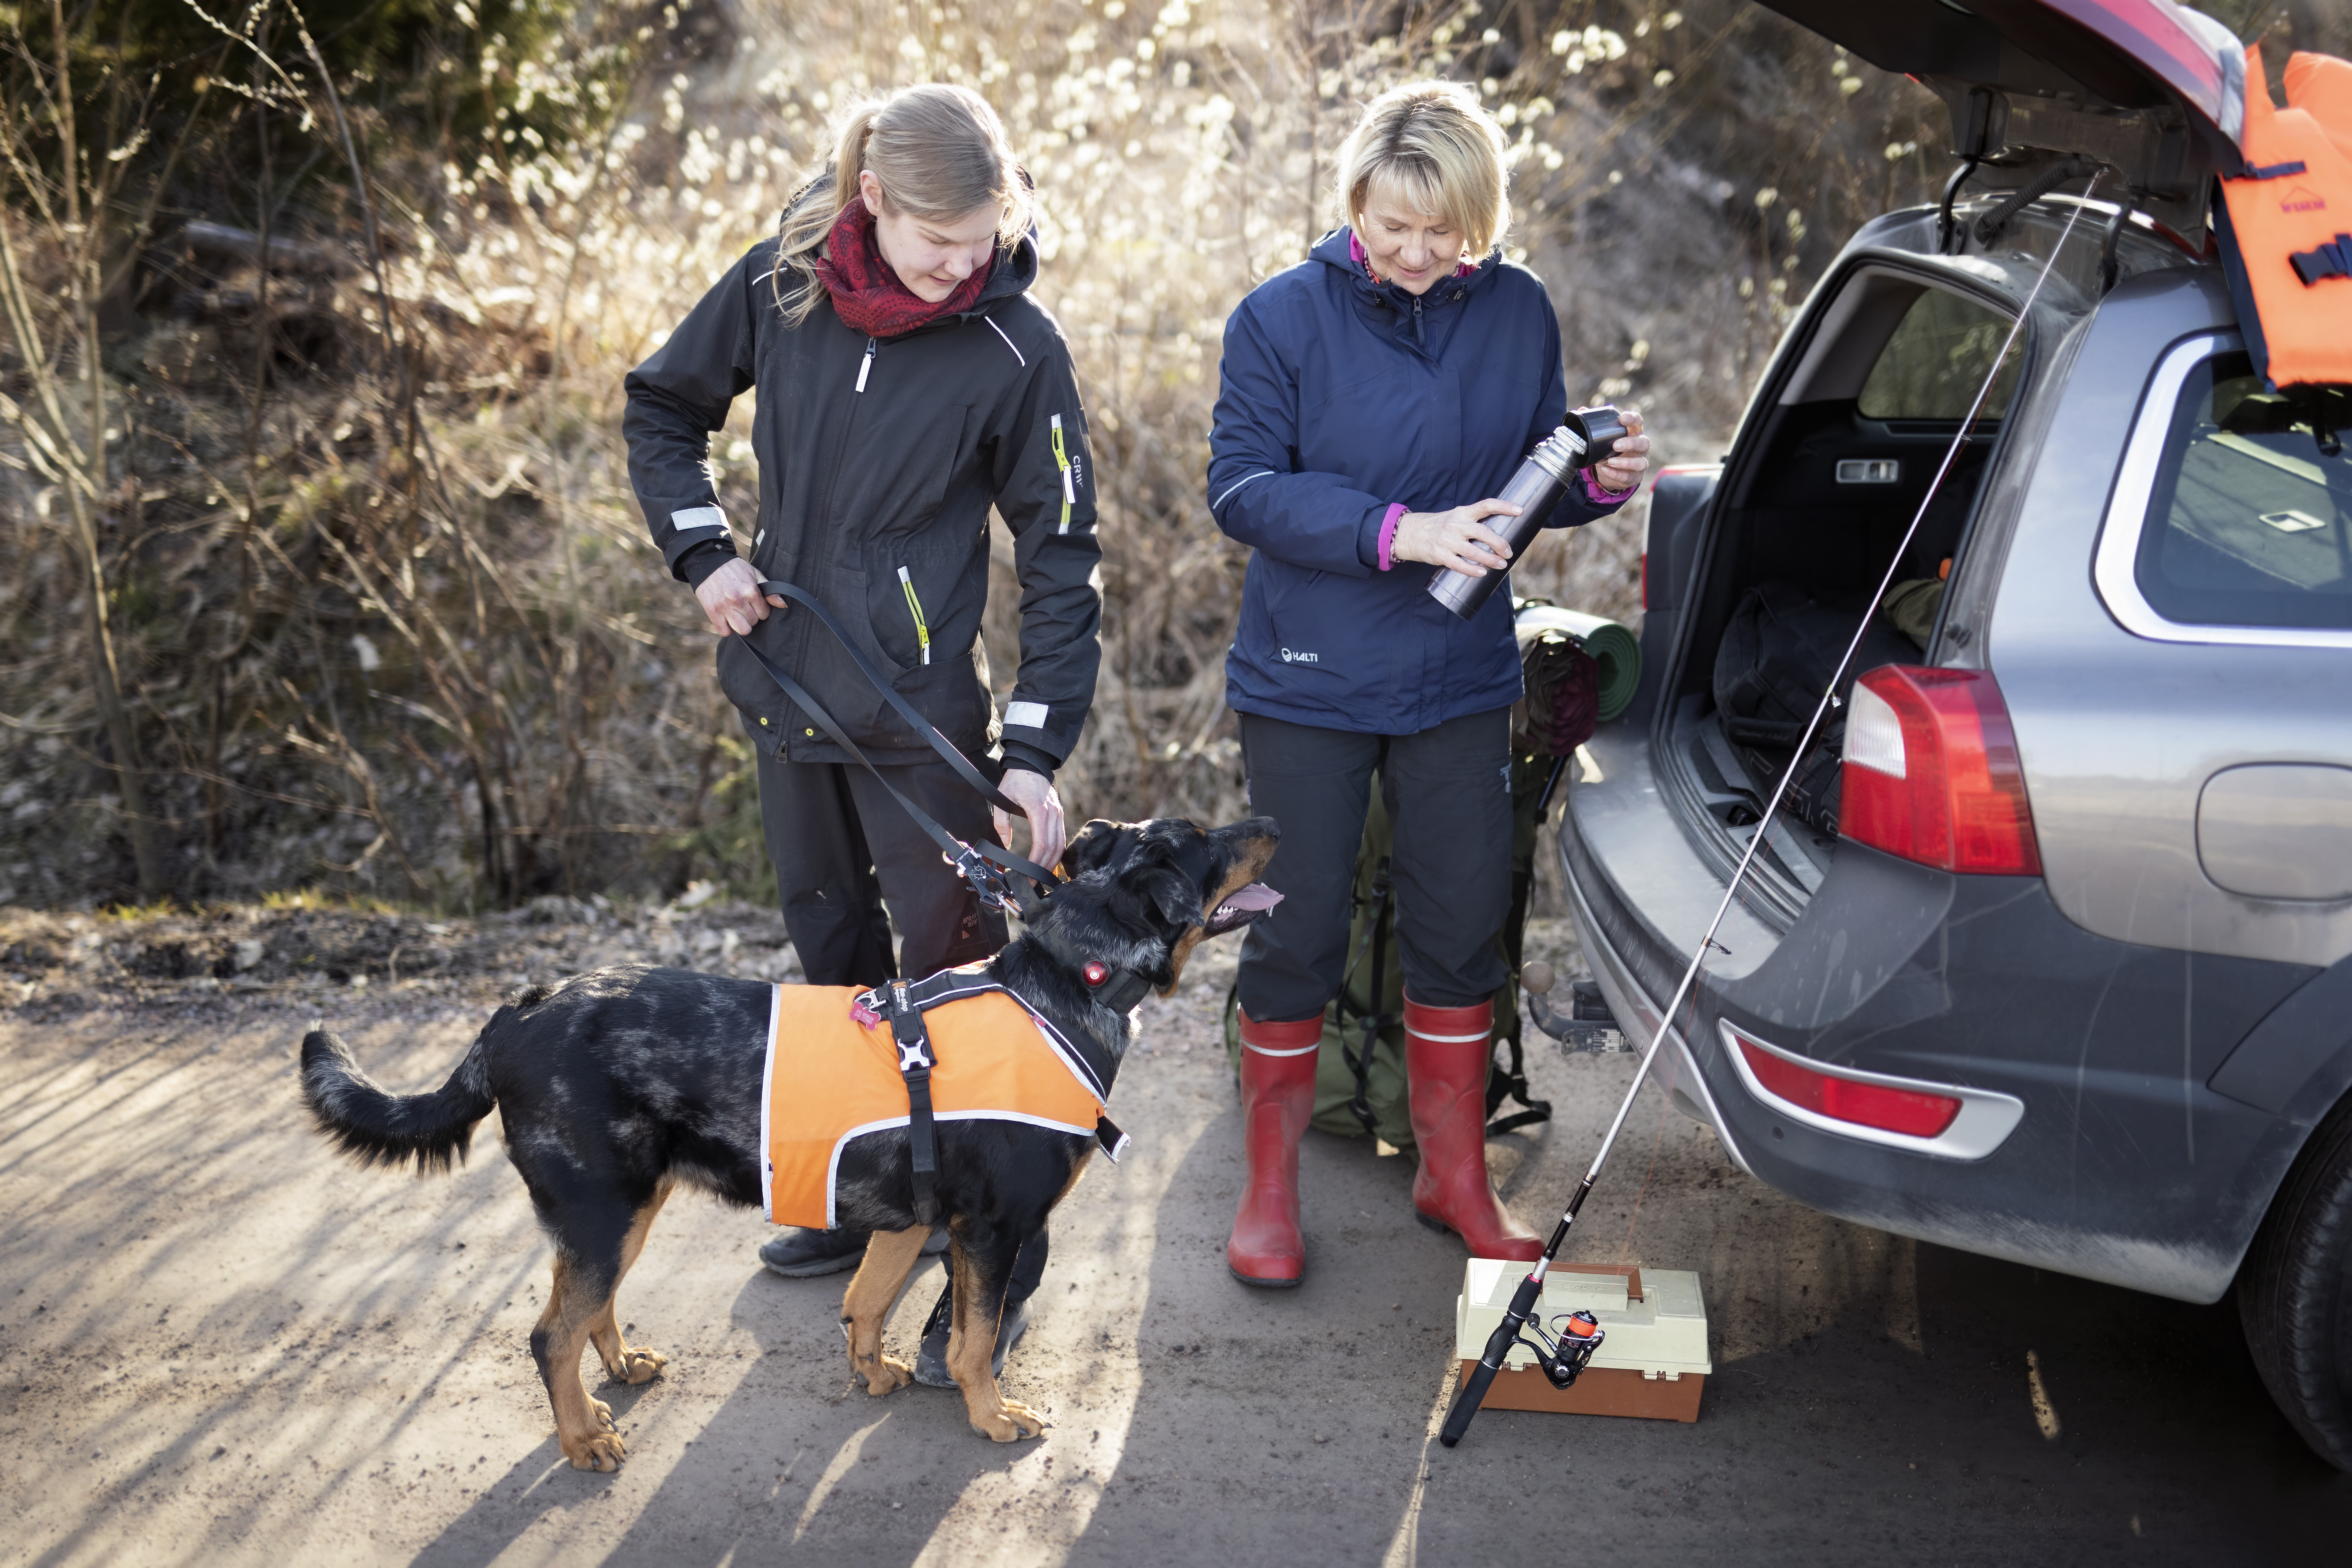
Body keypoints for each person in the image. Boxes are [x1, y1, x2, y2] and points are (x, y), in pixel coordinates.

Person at [623, 84, 1101, 1376]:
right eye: (941, 244)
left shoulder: (1018, 348)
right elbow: (662, 409)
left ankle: (976, 1233)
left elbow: (1064, 562)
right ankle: (859, 1186)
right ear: (872, 203)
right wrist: (702, 550)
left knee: (952, 968)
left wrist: (1035, 755)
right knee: (830, 954)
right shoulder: (780, 290)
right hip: (785, 690)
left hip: (922, 719)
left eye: (985, 241)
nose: (965, 268)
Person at [1204, 81, 1650, 1287]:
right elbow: (1242, 491)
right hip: (1307, 680)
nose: (1414, 253)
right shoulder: (1280, 318)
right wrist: (1400, 531)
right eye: (1392, 226)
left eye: (1443, 231)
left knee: (1459, 932)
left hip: (1458, 676)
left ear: (1481, 217)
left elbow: (1523, 479)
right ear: (1356, 203)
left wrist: (1592, 483)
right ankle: (1270, 1190)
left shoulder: (1518, 312)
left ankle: (1455, 1177)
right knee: (1294, 933)